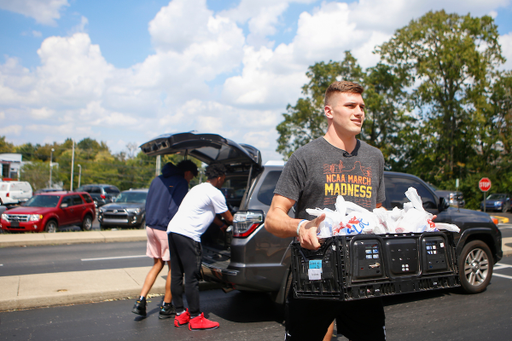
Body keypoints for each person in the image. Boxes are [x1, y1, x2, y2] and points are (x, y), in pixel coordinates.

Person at [265, 80, 386, 341]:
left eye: (362, 106)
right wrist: (300, 226)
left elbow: (378, 211)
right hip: (314, 276)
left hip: (364, 278)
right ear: (329, 112)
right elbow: (273, 217)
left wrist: (409, 222)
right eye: (351, 105)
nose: (359, 112)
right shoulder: (305, 157)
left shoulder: (374, 157)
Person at [167, 163, 233, 331]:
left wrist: (220, 226)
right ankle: (196, 318)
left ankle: (180, 314)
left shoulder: (197, 189)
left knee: (176, 274)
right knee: (192, 277)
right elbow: (229, 218)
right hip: (189, 235)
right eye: (223, 179)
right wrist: (232, 222)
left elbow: (208, 214)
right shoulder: (215, 193)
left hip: (173, 230)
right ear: (219, 178)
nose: (223, 181)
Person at [131, 160, 198, 319]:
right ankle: (166, 306)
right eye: (191, 177)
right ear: (187, 172)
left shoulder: (157, 179)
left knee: (157, 264)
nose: (190, 180)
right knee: (173, 269)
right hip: (165, 228)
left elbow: (148, 202)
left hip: (151, 226)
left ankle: (140, 301)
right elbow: (179, 208)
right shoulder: (181, 182)